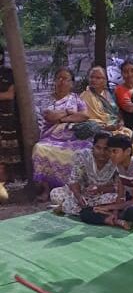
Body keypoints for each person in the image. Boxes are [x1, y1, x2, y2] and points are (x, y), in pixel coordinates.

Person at [80, 134, 133, 229]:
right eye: (110, 151)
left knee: (132, 211)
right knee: (85, 212)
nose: (111, 155)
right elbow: (120, 197)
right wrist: (114, 212)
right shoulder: (119, 166)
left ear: (127, 151)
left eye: (115, 151)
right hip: (131, 200)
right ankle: (115, 220)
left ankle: (113, 218)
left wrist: (108, 208)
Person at [32, 68, 91, 201]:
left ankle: (77, 188)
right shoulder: (47, 99)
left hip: (73, 138)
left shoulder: (76, 99)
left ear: (71, 83)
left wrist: (61, 118)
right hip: (51, 138)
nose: (61, 81)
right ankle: (46, 189)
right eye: (58, 78)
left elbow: (84, 116)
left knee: (87, 149)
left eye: (65, 79)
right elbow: (49, 116)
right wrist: (69, 112)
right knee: (40, 149)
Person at [49, 131, 117, 215]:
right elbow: (74, 180)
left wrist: (100, 189)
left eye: (106, 149)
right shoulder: (83, 156)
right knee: (55, 193)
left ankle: (67, 208)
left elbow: (118, 187)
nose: (102, 152)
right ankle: (96, 210)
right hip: (82, 192)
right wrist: (79, 197)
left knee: (116, 198)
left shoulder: (116, 160)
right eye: (98, 148)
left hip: (103, 195)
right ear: (93, 147)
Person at [80, 66, 131, 136]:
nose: (93, 80)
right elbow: (88, 119)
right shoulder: (85, 96)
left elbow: (116, 112)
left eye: (98, 78)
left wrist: (121, 122)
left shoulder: (108, 94)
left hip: (115, 126)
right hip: (99, 130)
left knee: (130, 133)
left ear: (105, 80)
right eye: (91, 77)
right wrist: (105, 127)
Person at [0, 44, 24, 180]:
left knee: (7, 155)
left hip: (7, 119)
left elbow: (9, 95)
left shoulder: (8, 73)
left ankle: (7, 177)